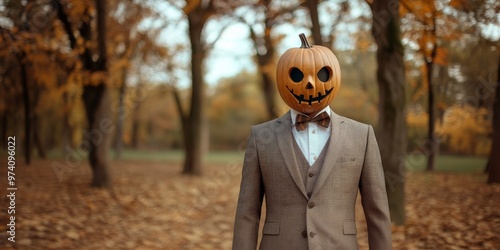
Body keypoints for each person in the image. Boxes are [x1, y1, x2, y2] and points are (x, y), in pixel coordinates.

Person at [232, 34, 392, 250]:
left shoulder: (361, 135)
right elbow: (247, 213)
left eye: (322, 74)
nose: (309, 84)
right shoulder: (261, 136)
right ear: (282, 78)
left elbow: (377, 211)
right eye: (297, 75)